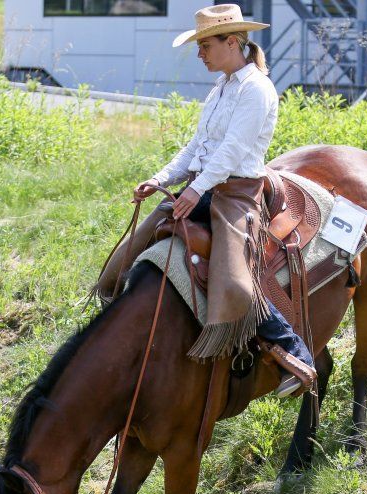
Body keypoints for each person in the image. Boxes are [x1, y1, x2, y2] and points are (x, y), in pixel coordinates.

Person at [97, 4, 314, 398]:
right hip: (204, 185)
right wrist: (159, 179)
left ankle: (294, 354)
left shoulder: (257, 89)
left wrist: (195, 190)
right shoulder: (222, 88)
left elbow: (232, 150)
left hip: (235, 195)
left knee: (234, 278)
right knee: (139, 243)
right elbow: (197, 147)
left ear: (232, 42)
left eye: (205, 45)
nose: (200, 54)